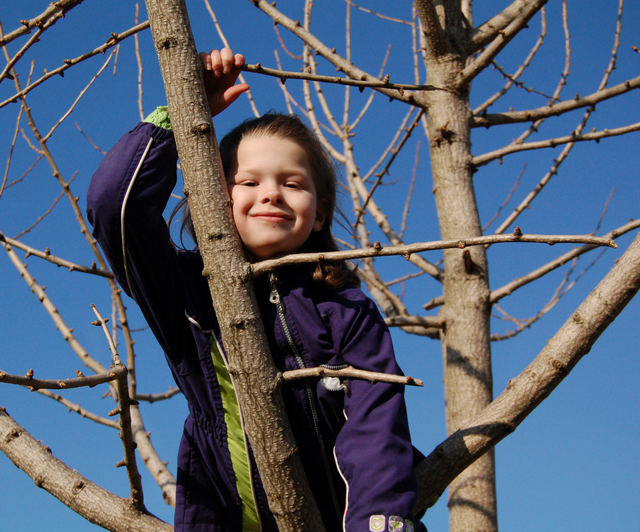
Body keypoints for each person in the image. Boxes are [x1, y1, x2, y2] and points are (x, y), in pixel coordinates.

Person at [87, 48, 420, 532]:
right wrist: (181, 115)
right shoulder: (185, 293)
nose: (270, 193)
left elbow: (375, 423)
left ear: (320, 212)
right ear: (215, 200)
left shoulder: (345, 308)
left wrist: (379, 521)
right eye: (249, 181)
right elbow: (114, 205)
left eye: (292, 183)